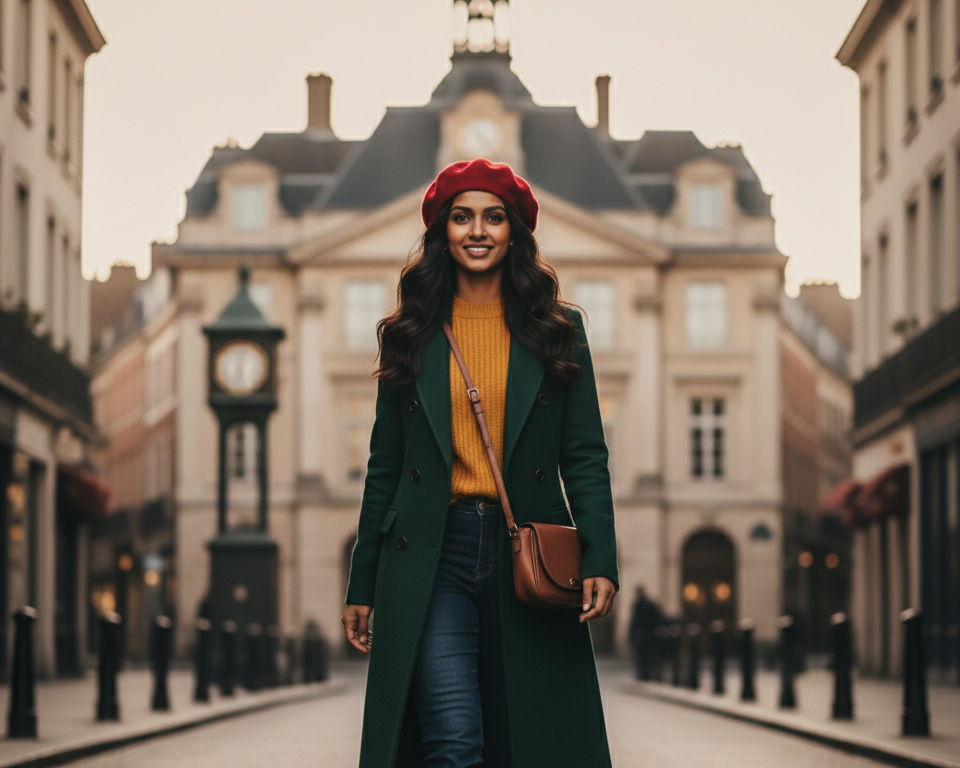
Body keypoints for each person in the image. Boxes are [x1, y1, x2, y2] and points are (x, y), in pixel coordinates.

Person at [341, 158, 619, 768]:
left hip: (525, 549)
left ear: (515, 232)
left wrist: (600, 554)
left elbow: (585, 454)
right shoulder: (409, 333)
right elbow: (384, 466)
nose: (477, 230)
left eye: (494, 217)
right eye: (461, 216)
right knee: (455, 737)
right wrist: (363, 580)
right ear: (441, 230)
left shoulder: (558, 329)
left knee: (526, 741)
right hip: (430, 553)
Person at [628, 585, 662, 681]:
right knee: (641, 656)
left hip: (647, 635)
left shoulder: (647, 605)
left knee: (646, 655)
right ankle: (643, 673)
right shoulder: (638, 604)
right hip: (643, 635)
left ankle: (646, 673)